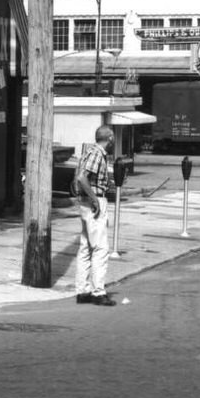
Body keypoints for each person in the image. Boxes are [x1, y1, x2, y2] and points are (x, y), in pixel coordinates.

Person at [73, 123, 118, 305]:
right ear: (110, 138)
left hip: (85, 202)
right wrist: (94, 199)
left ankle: (82, 291)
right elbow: (82, 177)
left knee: (85, 246)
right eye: (113, 138)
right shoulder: (97, 154)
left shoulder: (88, 152)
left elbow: (78, 176)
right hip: (95, 201)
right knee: (100, 248)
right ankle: (98, 292)